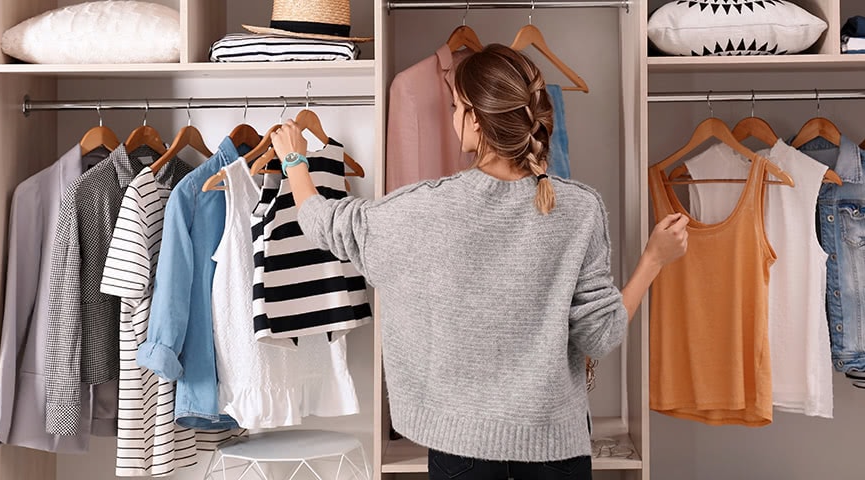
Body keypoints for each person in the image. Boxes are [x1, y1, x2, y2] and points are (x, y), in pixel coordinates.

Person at [270, 44, 688, 480]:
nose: (453, 117)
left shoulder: (427, 207)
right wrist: (654, 260)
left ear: (475, 119)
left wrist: (296, 161)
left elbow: (328, 225)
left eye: (456, 107)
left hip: (461, 446)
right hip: (555, 447)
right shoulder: (580, 210)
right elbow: (600, 336)